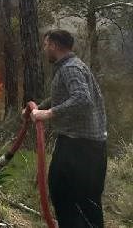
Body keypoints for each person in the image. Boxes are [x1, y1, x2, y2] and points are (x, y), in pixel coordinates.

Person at [30, 29, 107, 227]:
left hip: (77, 147)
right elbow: (64, 97)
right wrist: (39, 108)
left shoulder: (69, 69)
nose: (45, 49)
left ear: (55, 45)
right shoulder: (74, 66)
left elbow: (82, 99)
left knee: (63, 195)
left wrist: (47, 114)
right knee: (89, 204)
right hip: (92, 148)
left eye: (46, 45)